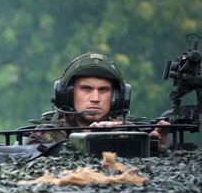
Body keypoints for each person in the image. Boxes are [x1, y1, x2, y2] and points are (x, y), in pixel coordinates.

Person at [25, 53, 168, 146]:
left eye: (103, 90)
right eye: (86, 89)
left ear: (117, 97)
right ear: (67, 94)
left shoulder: (132, 133)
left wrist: (157, 146)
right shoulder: (47, 135)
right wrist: (85, 140)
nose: (95, 98)